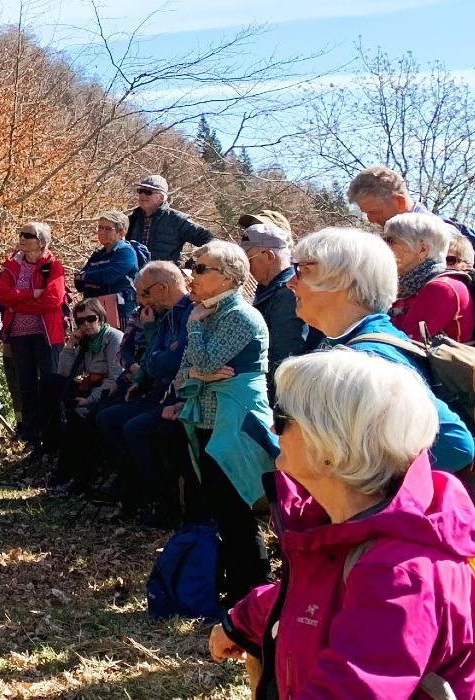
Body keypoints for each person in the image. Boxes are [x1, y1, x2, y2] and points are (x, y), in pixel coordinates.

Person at [211, 351, 475, 699]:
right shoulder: (344, 524)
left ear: (331, 443)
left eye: (283, 417)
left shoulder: (400, 574)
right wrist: (244, 620)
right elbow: (318, 589)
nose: (272, 427)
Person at [290, 227, 474, 472]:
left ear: (344, 279)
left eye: (304, 270)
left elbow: (455, 445)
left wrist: (358, 478)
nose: (291, 282)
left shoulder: (374, 356)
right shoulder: (348, 342)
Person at [171, 241, 275, 610]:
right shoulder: (207, 313)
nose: (192, 275)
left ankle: (251, 593)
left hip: (234, 425)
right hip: (206, 421)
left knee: (237, 508)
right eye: (192, 266)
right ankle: (233, 589)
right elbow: (183, 374)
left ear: (229, 277)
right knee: (219, 506)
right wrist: (200, 373)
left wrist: (195, 331)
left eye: (201, 269)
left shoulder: (239, 317)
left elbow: (204, 357)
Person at [94, 262, 194, 526]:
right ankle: (135, 488)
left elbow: (174, 360)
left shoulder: (189, 313)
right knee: (107, 418)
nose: (139, 301)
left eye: (144, 294)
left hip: (177, 396)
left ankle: (164, 500)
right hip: (155, 389)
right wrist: (143, 376)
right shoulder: (166, 315)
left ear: (163, 287)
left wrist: (158, 358)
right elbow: (152, 357)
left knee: (136, 429)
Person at [351, 165, 475, 306]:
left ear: (399, 202)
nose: (370, 219)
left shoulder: (444, 237)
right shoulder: (411, 234)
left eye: (374, 212)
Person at [0, 221, 67, 459]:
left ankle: (54, 437)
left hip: (47, 335)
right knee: (25, 385)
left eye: (29, 235)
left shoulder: (53, 267)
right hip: (18, 336)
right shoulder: (11, 266)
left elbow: (53, 300)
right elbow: (2, 296)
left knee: (49, 384)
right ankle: (32, 438)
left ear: (42, 242)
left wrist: (19, 302)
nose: (22, 238)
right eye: (21, 234)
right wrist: (32, 295)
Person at [51, 301, 125, 495]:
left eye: (91, 319)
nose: (86, 325)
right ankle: (50, 442)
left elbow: (115, 377)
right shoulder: (86, 342)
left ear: (100, 318)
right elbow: (64, 373)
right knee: (51, 382)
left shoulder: (113, 339)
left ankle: (72, 474)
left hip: (109, 392)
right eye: (80, 321)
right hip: (89, 387)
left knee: (79, 415)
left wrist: (90, 399)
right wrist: (70, 345)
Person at [239, 211, 318, 380]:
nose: (246, 268)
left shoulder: (288, 295)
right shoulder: (267, 290)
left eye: (248, 260)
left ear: (268, 256)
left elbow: (283, 360)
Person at [382, 212, 475, 344]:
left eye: (390, 241)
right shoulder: (409, 284)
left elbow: (403, 342)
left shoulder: (442, 288)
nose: (383, 246)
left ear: (422, 250)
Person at [127, 175, 215, 263]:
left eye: (148, 192)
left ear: (161, 197)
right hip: (135, 275)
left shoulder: (177, 220)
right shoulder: (133, 219)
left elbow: (211, 241)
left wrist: (192, 262)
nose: (142, 195)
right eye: (140, 191)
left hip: (164, 275)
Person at [78, 211, 141, 325]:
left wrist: (87, 277)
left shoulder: (126, 252)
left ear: (121, 232)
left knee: (118, 342)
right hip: (96, 311)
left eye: (107, 229)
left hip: (120, 311)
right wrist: (87, 278)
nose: (102, 232)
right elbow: (78, 282)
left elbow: (109, 276)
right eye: (100, 228)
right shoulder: (98, 254)